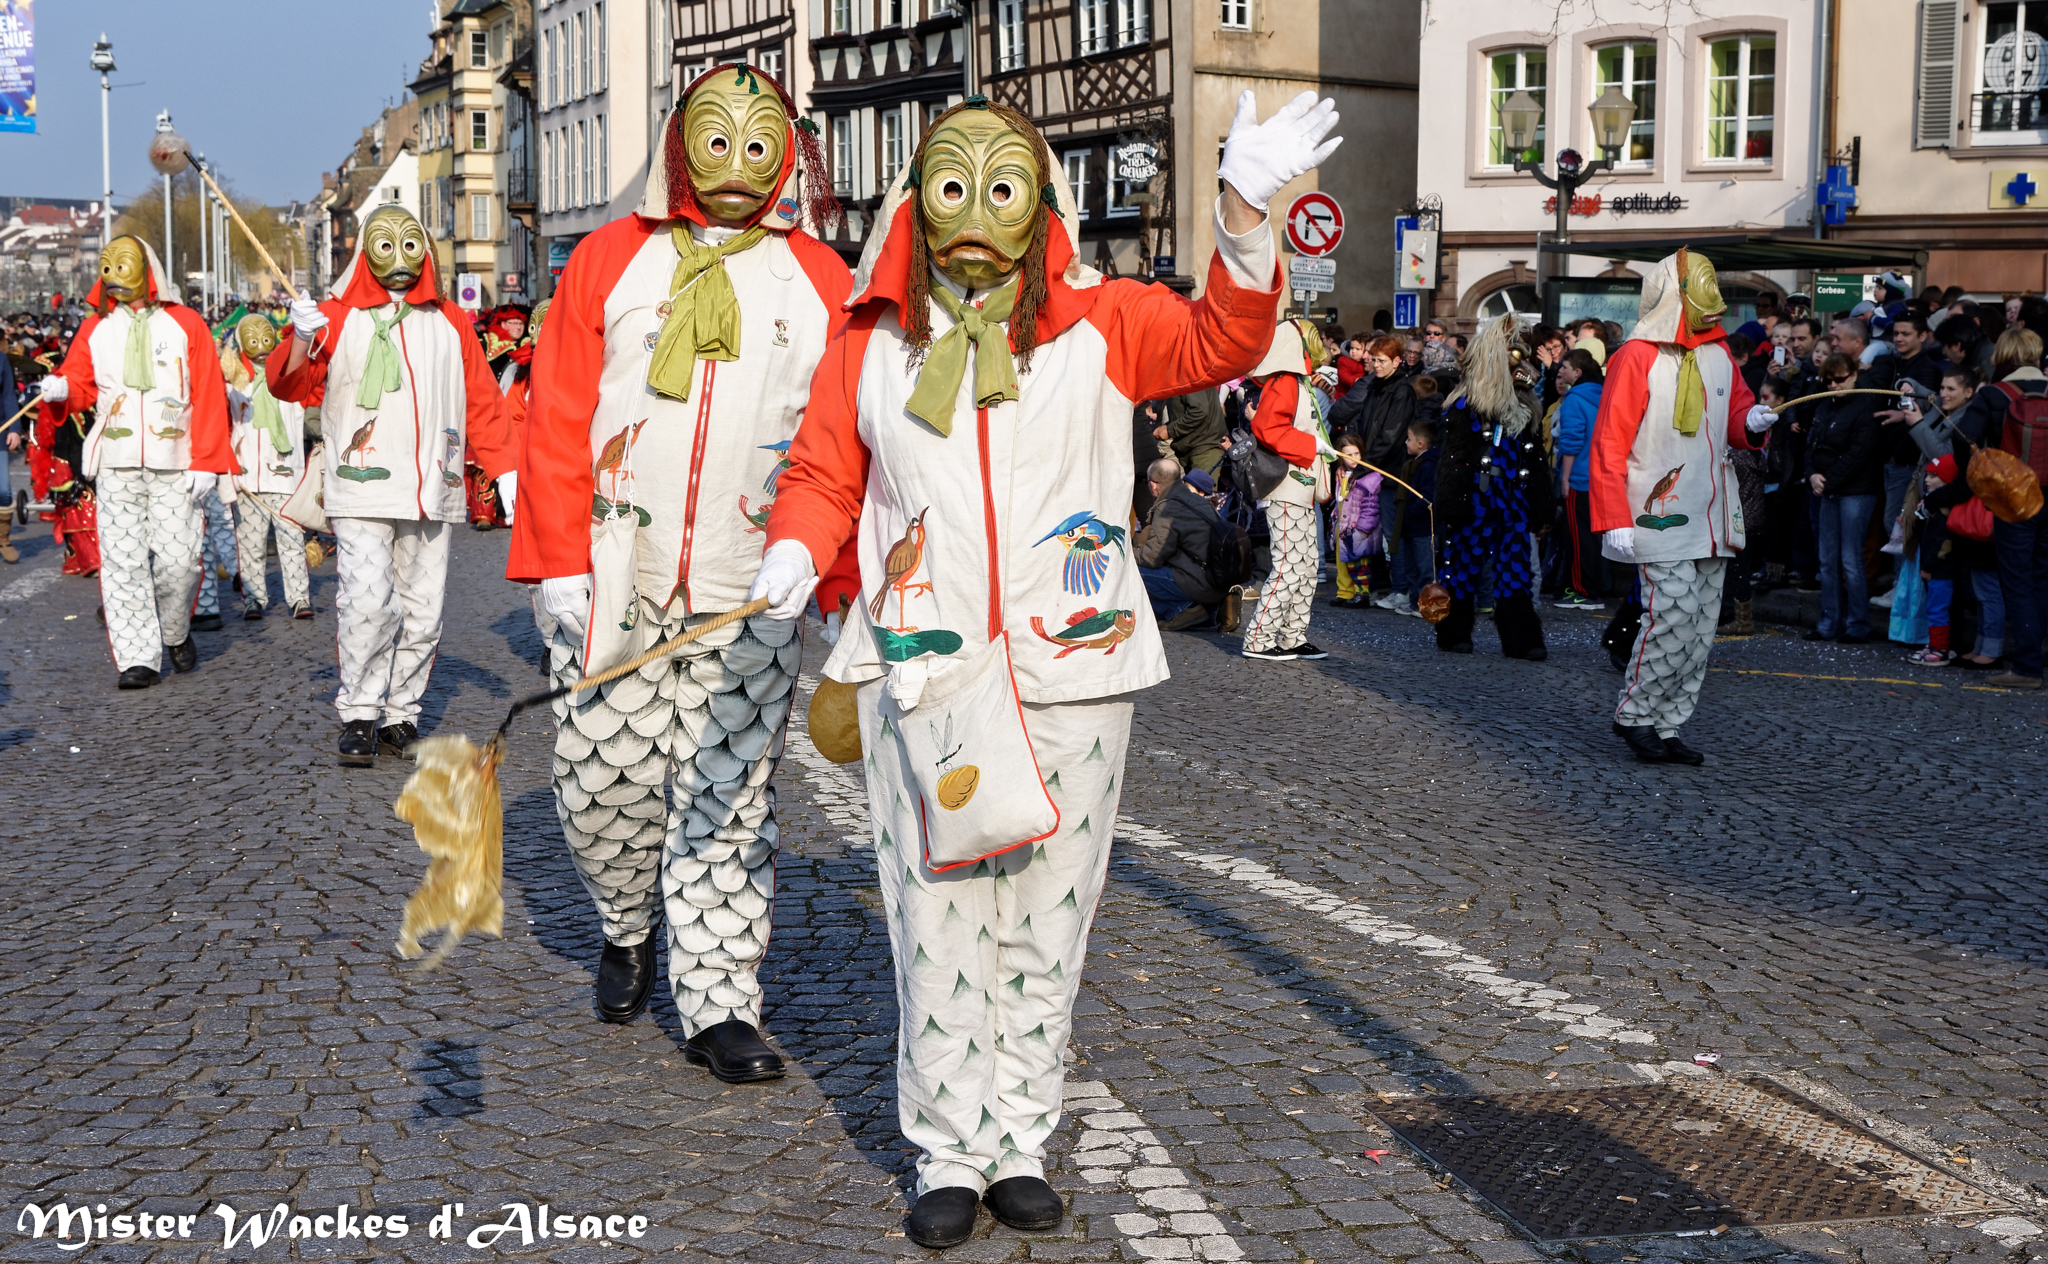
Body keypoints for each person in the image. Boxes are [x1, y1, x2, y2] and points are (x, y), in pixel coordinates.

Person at [752, 88, 1328, 1249]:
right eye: (950, 184)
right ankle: (945, 1152)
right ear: (918, 200)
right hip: (929, 674)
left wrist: (1243, 210)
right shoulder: (870, 339)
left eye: (999, 185)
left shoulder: (1104, 322)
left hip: (1073, 667)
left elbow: (1220, 337)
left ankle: (1018, 1137)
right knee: (935, 919)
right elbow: (825, 471)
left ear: (1039, 203)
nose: (974, 211)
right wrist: (792, 550)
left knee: (1049, 919)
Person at [508, 63, 855, 1071]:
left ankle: (717, 999)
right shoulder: (609, 261)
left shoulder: (820, 281)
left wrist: (820, 564)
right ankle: (626, 921)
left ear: (784, 151)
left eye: (759, 146)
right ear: (680, 143)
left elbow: (840, 436)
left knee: (728, 790)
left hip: (751, 581)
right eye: (718, 142)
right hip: (616, 567)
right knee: (600, 783)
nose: (739, 167)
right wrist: (557, 560)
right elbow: (559, 415)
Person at [269, 205, 517, 765]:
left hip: (434, 481)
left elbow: (480, 397)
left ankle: (401, 711)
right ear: (366, 252)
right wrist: (303, 339)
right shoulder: (337, 317)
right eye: (387, 246)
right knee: (366, 598)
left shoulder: (451, 321)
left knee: (423, 607)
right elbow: (291, 384)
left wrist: (507, 468)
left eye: (411, 246)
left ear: (425, 250)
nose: (400, 259)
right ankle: (360, 711)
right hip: (362, 487)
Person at [1589, 248, 1772, 764]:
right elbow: (1610, 441)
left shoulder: (1719, 354)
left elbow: (1733, 413)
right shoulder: (1636, 356)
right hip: (1656, 512)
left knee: (1700, 625)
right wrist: (1613, 516)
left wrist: (1750, 422)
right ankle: (1635, 715)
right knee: (1671, 613)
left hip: (1711, 512)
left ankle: (1668, 723)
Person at [36, 235, 236, 689]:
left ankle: (174, 630)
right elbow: (81, 383)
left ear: (147, 270)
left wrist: (207, 459)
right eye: (106, 266)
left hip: (175, 462)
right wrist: (62, 389)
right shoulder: (96, 329)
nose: (112, 276)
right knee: (122, 562)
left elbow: (207, 392)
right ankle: (138, 658)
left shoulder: (186, 323)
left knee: (180, 562)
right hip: (116, 462)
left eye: (121, 265)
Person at [1433, 315, 1552, 659]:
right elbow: (1453, 458)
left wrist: (1541, 505)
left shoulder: (1526, 409)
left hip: (1512, 498)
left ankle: (1521, 638)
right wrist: (1452, 502)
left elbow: (1534, 459)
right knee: (1463, 566)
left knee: (1515, 570)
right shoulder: (1466, 405)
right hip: (1477, 497)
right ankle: (1454, 633)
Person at [1242, 317, 1339, 661]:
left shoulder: (1296, 382)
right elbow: (1269, 428)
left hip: (1299, 487)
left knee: (1307, 564)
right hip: (1287, 488)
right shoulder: (1286, 382)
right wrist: (1311, 445)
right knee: (1290, 565)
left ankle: (1291, 636)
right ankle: (1259, 638)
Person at [223, 313, 313, 620]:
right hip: (249, 478)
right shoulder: (235, 385)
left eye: (265, 338)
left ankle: (299, 597)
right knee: (250, 545)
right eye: (252, 339)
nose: (260, 346)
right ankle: (254, 598)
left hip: (287, 477)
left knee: (291, 541)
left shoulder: (289, 377)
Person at [1803, 353, 1883, 643]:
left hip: (1855, 490)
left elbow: (1860, 453)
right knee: (1827, 560)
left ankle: (1857, 624)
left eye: (1840, 379)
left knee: (1851, 560)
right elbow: (1810, 445)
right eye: (1829, 381)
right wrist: (1812, 474)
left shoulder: (1865, 407)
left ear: (1854, 376)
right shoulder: (1824, 405)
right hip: (1829, 487)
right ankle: (1829, 623)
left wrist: (1826, 480)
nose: (1834, 385)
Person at [1136, 461, 1225, 629]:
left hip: (1200, 583)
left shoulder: (1168, 507)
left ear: (1154, 485)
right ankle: (1208, 609)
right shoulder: (1198, 500)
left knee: (1133, 571)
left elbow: (1151, 558)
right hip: (1217, 580)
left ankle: (1180, 610)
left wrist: (1126, 552)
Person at [1551, 346, 1605, 608]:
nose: (1560, 370)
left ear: (1578, 372)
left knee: (1577, 537)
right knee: (1594, 537)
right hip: (1602, 477)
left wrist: (1565, 480)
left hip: (1580, 478)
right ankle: (1591, 588)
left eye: (1565, 367)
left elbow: (1571, 442)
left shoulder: (1574, 399)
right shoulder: (1605, 394)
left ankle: (1582, 590)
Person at [1385, 417, 1439, 615]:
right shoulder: (1417, 463)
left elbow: (1426, 497)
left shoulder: (1427, 465)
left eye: (1409, 439)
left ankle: (1427, 606)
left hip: (1422, 527)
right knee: (1413, 568)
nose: (1406, 443)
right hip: (1411, 526)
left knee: (1425, 569)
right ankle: (1416, 603)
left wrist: (1412, 512)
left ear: (1420, 443)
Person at [1328, 432, 1380, 607]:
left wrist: (1363, 529)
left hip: (1358, 530)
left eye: (1356, 453)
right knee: (1342, 563)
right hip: (1342, 528)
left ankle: (1361, 594)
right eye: (1348, 455)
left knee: (1359, 565)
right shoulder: (1342, 476)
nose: (1353, 458)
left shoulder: (1368, 477)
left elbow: (1371, 507)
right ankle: (1344, 592)